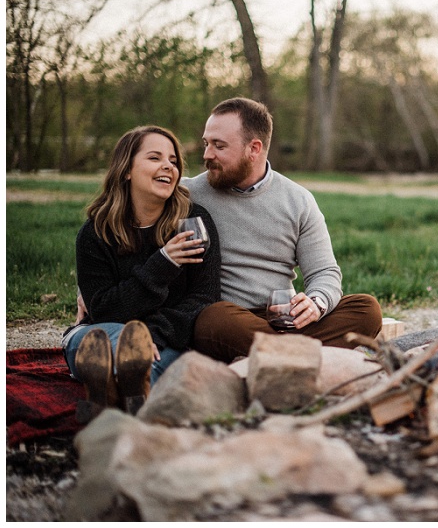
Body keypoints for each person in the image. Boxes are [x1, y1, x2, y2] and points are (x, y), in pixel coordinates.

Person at [184, 97, 383, 363]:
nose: (207, 154)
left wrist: (315, 304)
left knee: (367, 309)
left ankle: (276, 356)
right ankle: (303, 356)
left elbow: (325, 272)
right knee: (212, 319)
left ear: (254, 148)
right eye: (206, 144)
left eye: (219, 146)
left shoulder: (298, 200)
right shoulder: (189, 194)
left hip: (284, 319)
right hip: (231, 320)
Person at [62, 125, 221, 421]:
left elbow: (204, 297)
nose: (168, 167)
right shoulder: (95, 233)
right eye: (154, 158)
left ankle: (107, 397)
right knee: (89, 342)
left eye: (173, 161)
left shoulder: (193, 222)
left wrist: (152, 333)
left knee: (155, 361)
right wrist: (162, 264)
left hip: (165, 338)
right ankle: (123, 393)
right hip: (106, 329)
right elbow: (105, 308)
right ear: (126, 171)